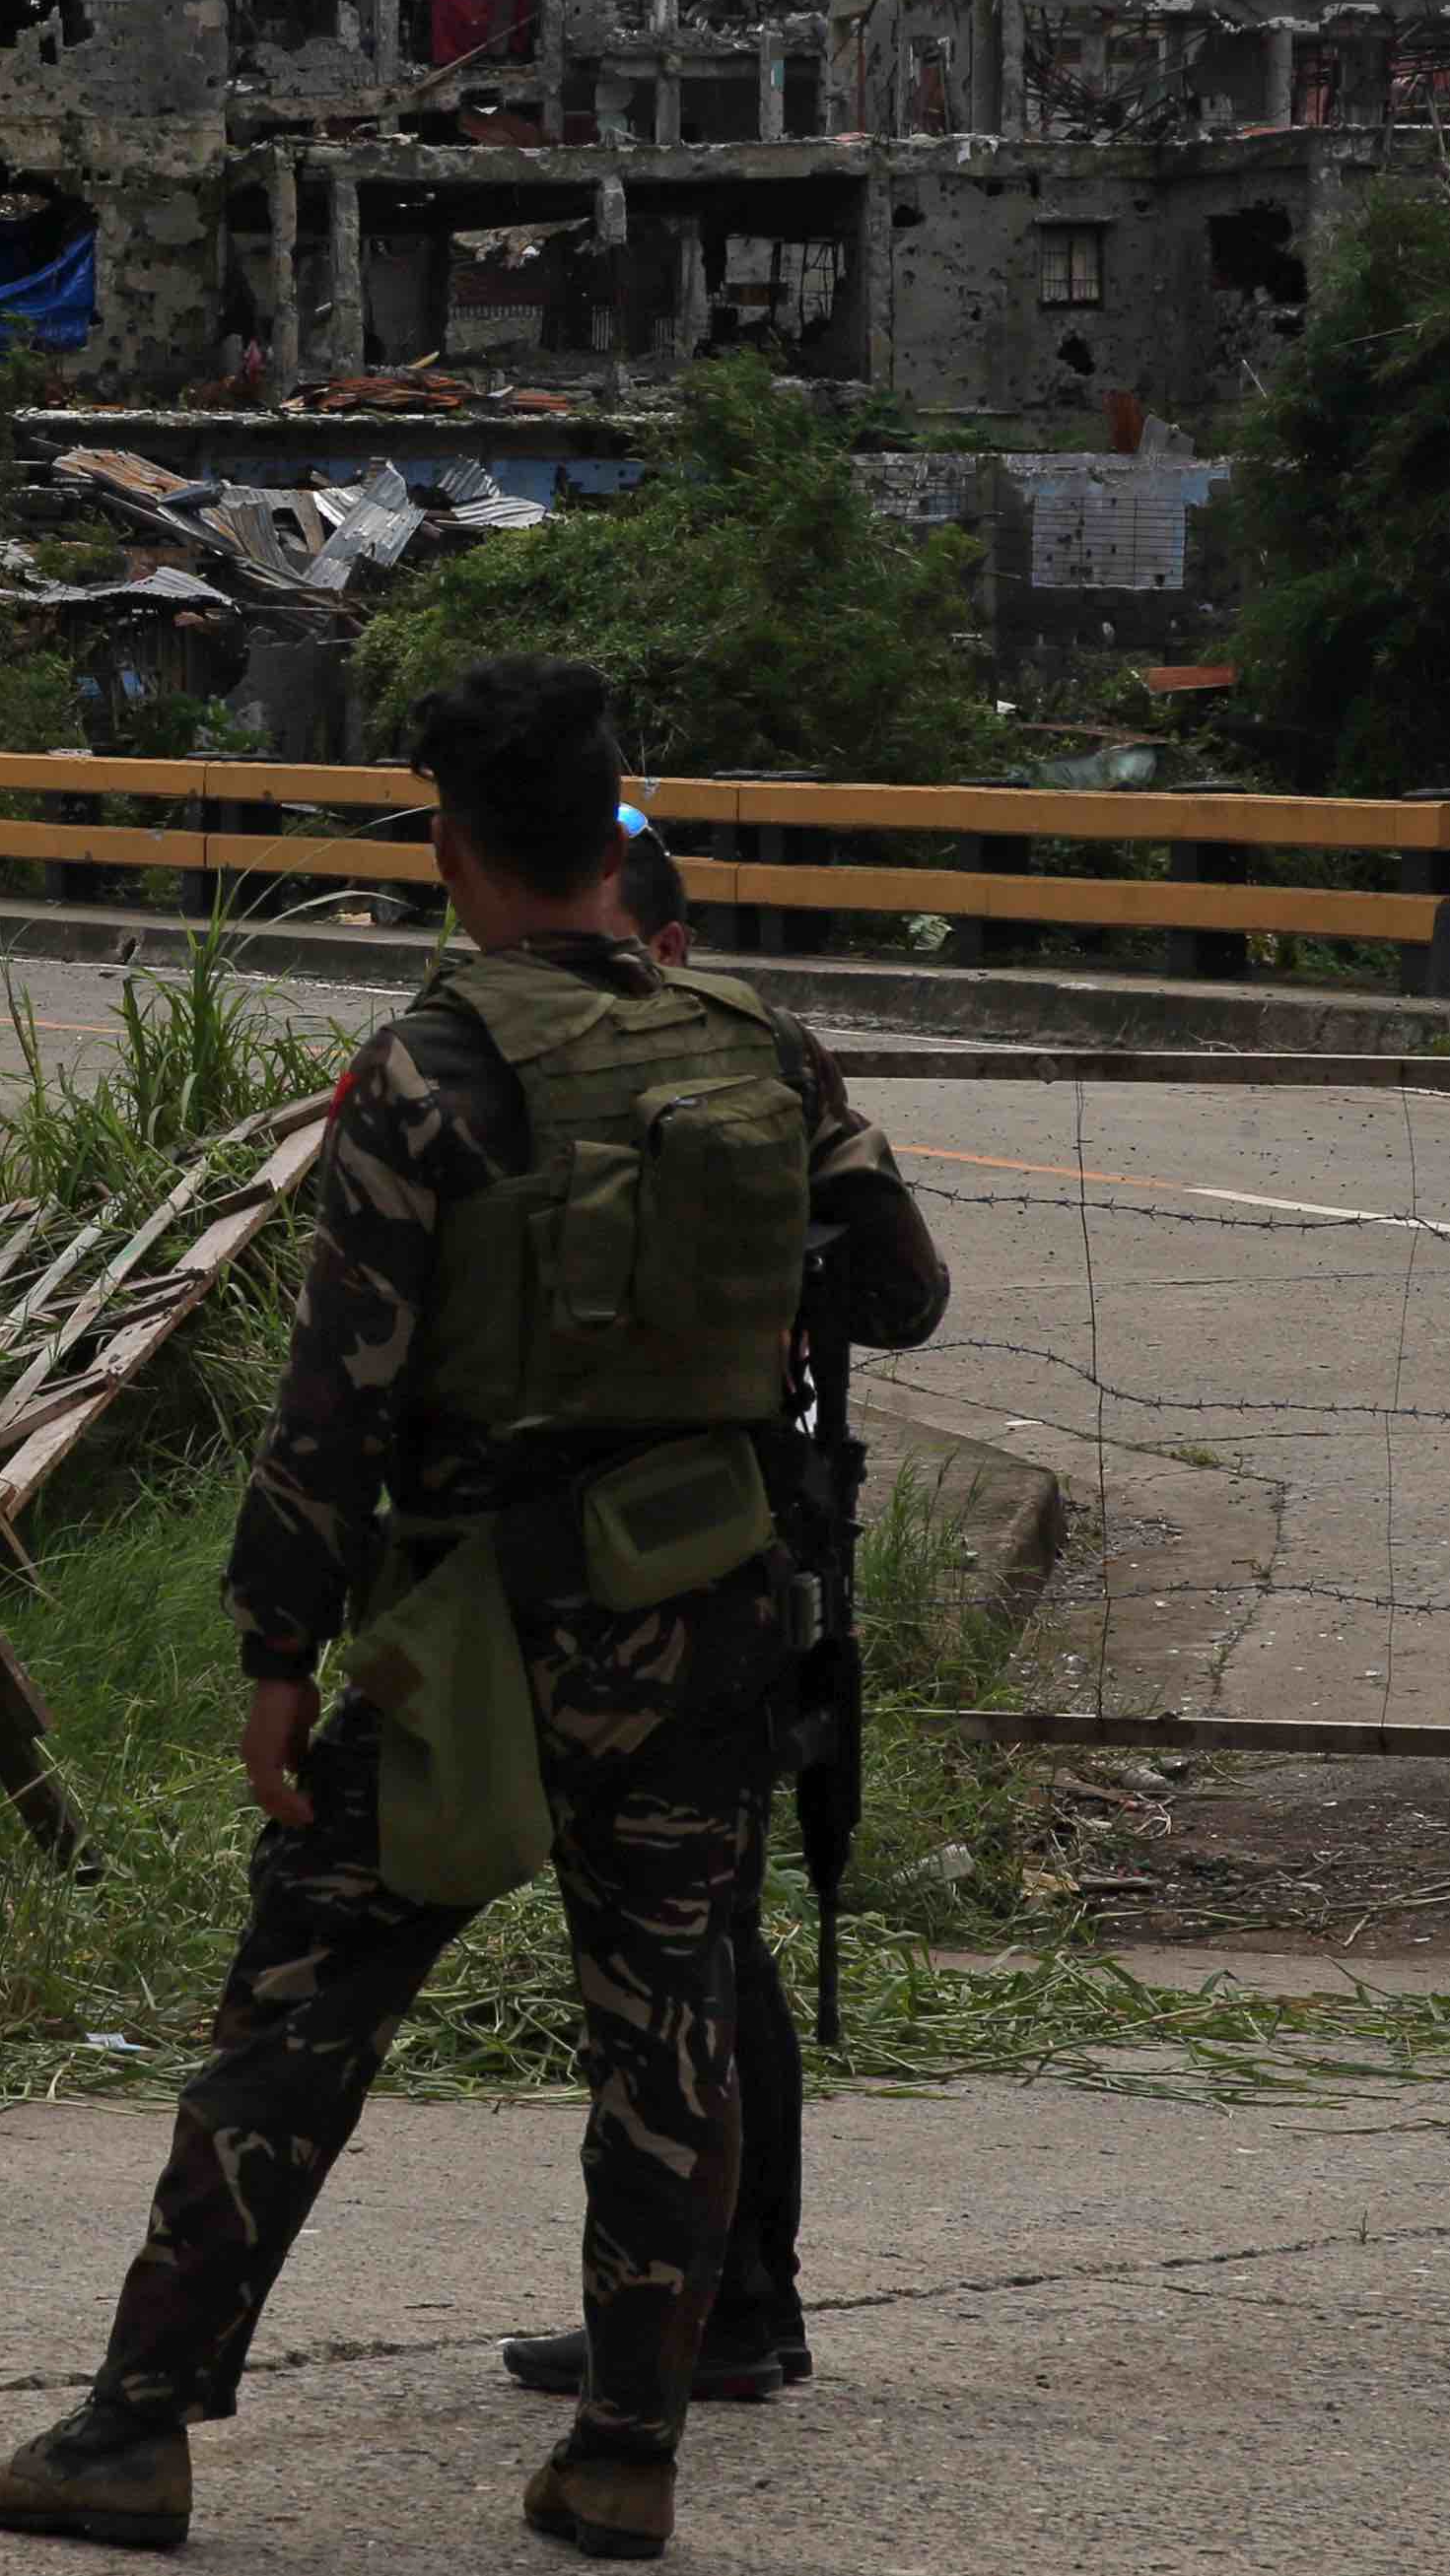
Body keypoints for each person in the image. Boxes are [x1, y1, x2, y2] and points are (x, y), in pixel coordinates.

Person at [0, 658, 910, 2563]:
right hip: (712, 1610)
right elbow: (900, 1289)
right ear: (613, 820)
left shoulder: (429, 1070)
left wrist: (274, 1659)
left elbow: (336, 1400)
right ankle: (626, 2449)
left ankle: (137, 2428)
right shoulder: (765, 1046)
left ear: (451, 845)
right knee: (671, 2025)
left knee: (304, 2000)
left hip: (483, 1626)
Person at [496, 809, 949, 2414]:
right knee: (689, 1934)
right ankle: (705, 2297)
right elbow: (903, 1294)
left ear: (673, 947)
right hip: (679, 1554)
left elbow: (900, 1295)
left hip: (698, 1559)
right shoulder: (706, 1057)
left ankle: (726, 2298)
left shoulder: (746, 1060)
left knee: (704, 1939)